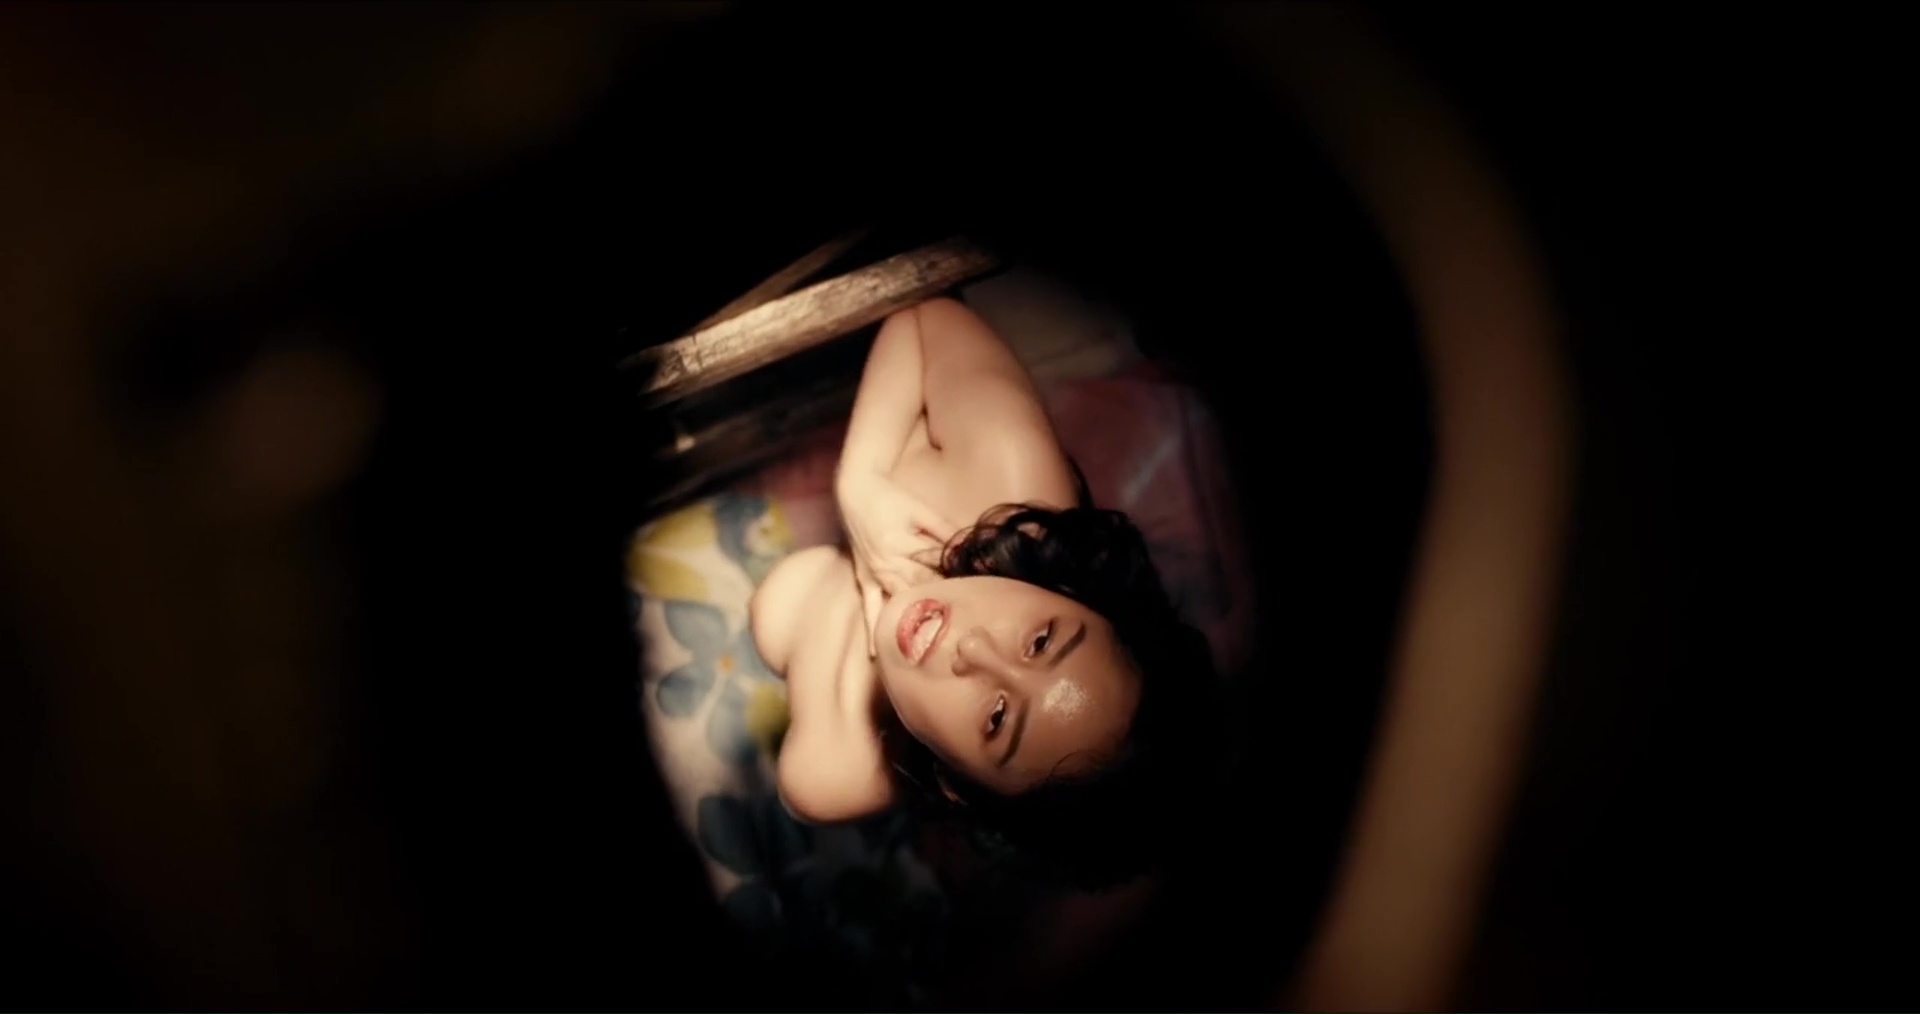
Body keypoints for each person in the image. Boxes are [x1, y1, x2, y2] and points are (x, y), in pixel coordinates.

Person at [749, 296, 1221, 891]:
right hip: (826, 512)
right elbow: (928, 317)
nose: (972, 648)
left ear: (956, 784)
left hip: (806, 607)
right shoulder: (1011, 487)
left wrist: (839, 636)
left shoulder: (835, 768)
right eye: (1041, 639)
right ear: (1076, 596)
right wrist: (861, 481)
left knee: (775, 618)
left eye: (997, 719)